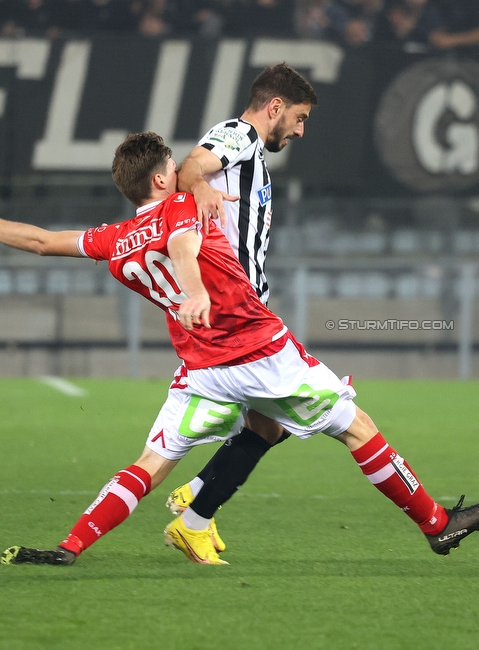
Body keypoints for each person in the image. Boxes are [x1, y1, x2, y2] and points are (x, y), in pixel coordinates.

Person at [0, 132, 479, 565]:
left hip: (201, 370)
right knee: (357, 427)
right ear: (162, 179)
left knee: (150, 465)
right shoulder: (179, 208)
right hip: (262, 354)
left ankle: (68, 546)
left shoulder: (113, 239)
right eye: (172, 170)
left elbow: (40, 242)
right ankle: (436, 524)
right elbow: (184, 247)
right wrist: (196, 290)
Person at [161, 63, 317, 552]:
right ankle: (196, 510)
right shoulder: (239, 134)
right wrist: (200, 185)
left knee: (271, 424)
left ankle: (199, 499)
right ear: (275, 107)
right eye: (299, 116)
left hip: (246, 304)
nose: (300, 129)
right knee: (299, 412)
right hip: (235, 310)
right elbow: (187, 168)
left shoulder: (250, 154)